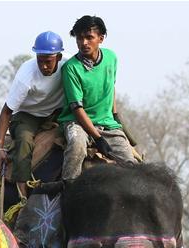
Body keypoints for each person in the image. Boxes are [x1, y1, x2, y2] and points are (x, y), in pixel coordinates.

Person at [57, 15, 136, 179]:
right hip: (76, 122)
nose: (83, 42)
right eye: (79, 38)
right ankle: (68, 187)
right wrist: (98, 138)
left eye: (89, 37)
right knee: (77, 146)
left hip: (107, 123)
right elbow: (77, 109)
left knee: (132, 164)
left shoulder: (111, 58)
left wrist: (115, 116)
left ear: (101, 39)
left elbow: (111, 86)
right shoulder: (71, 68)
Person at [0, 31, 65, 193]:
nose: (44, 66)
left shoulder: (69, 64)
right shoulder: (26, 76)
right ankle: (22, 191)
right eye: (40, 61)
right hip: (28, 115)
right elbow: (6, 112)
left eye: (48, 61)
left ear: (59, 58)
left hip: (57, 112)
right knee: (24, 141)